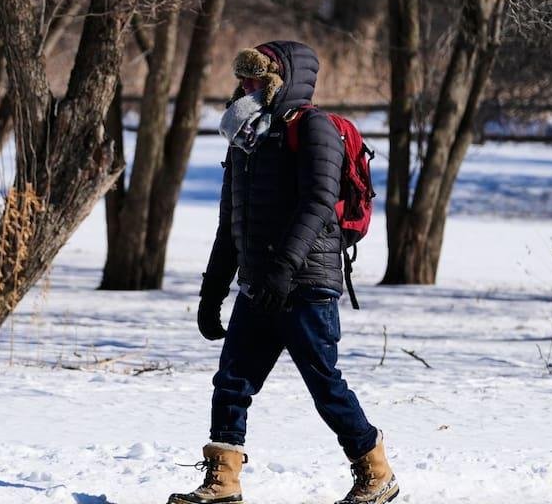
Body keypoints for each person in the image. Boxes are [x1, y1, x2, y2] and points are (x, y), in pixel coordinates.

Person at [168, 41, 399, 504]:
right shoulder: (246, 139)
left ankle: (375, 470)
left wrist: (283, 269)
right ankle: (223, 480)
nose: (247, 88)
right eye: (244, 80)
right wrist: (212, 290)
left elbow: (318, 203)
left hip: (307, 284)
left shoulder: (314, 128)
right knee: (232, 381)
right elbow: (229, 221)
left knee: (323, 384)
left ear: (282, 81)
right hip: (258, 285)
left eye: (257, 79)